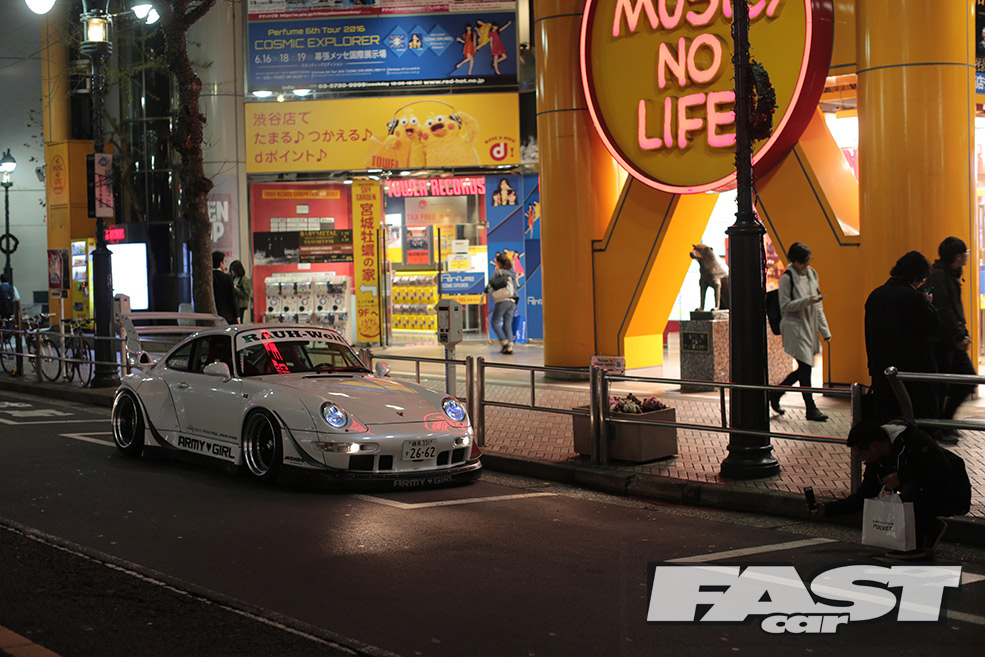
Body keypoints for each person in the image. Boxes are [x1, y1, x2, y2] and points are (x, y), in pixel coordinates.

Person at [812, 420, 971, 559]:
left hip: (952, 492)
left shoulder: (914, 440)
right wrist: (828, 509)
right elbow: (864, 496)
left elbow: (940, 470)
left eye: (862, 455)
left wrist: (901, 476)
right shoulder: (877, 462)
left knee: (908, 488)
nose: (862, 459)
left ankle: (915, 545)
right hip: (927, 490)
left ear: (875, 446)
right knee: (894, 489)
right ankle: (928, 527)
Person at [864, 251, 940, 423]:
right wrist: (929, 305)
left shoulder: (875, 295)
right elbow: (933, 327)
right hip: (911, 374)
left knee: (886, 421)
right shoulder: (914, 298)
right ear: (915, 276)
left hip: (881, 369)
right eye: (921, 279)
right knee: (912, 421)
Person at [769, 242, 831, 421]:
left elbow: (818, 305)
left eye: (808, 260)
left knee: (804, 367)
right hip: (794, 328)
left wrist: (825, 330)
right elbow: (785, 306)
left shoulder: (811, 274)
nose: (806, 265)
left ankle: (776, 393)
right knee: (805, 367)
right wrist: (807, 301)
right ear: (794, 261)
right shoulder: (787, 278)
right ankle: (810, 408)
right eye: (804, 262)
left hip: (809, 326)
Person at [926, 237, 975, 444]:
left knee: (966, 380)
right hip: (943, 341)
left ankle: (945, 422)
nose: (966, 256)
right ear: (958, 256)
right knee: (943, 386)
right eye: (965, 253)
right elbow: (945, 311)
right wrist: (959, 336)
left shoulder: (949, 275)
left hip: (951, 340)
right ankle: (939, 427)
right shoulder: (940, 276)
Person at [486, 252, 517, 354]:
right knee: (507, 324)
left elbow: (490, 284)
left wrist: (485, 292)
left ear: (498, 262)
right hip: (512, 301)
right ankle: (510, 346)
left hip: (501, 301)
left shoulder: (497, 272)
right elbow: (515, 289)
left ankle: (504, 342)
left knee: (494, 322)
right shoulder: (512, 273)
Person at [211, 251, 239, 325]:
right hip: (227, 315)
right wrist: (237, 315)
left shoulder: (208, 278)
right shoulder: (227, 278)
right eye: (224, 262)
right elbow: (232, 298)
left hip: (212, 314)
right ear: (221, 263)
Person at [229, 260, 252, 324]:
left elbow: (246, 294)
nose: (232, 272)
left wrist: (235, 288)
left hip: (241, 304)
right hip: (234, 303)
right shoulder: (233, 278)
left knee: (239, 320)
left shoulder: (244, 280)